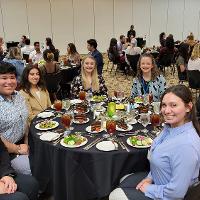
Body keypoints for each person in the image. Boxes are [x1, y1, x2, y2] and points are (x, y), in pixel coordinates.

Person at [110, 84, 200, 200]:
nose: (166, 111)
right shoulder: (170, 128)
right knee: (123, 178)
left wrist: (149, 188)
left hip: (167, 195)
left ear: (188, 107)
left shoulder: (186, 145)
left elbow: (176, 193)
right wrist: (150, 177)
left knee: (115, 195)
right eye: (164, 105)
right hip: (156, 180)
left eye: (174, 105)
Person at [0, 62, 31, 175]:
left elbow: (25, 120)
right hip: (6, 153)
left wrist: (27, 142)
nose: (9, 82)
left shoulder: (19, 96)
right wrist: (17, 149)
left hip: (24, 142)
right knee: (34, 166)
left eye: (12, 77)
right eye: (4, 78)